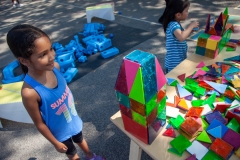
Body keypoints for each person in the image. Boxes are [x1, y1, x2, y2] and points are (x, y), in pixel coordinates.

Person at [6, 24, 104, 160]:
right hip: (60, 133)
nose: (52, 56)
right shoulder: (30, 93)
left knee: (81, 139)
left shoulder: (55, 68)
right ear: (23, 60)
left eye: (51, 49)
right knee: (72, 153)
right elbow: (39, 123)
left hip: (73, 122)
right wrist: (55, 143)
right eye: (43, 55)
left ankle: (90, 156)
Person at [159, 0, 199, 73]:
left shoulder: (175, 23)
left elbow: (182, 35)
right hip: (174, 63)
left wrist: (190, 31)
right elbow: (181, 37)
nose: (188, 13)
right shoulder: (174, 25)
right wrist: (191, 26)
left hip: (178, 59)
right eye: (186, 11)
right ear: (178, 15)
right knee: (174, 80)